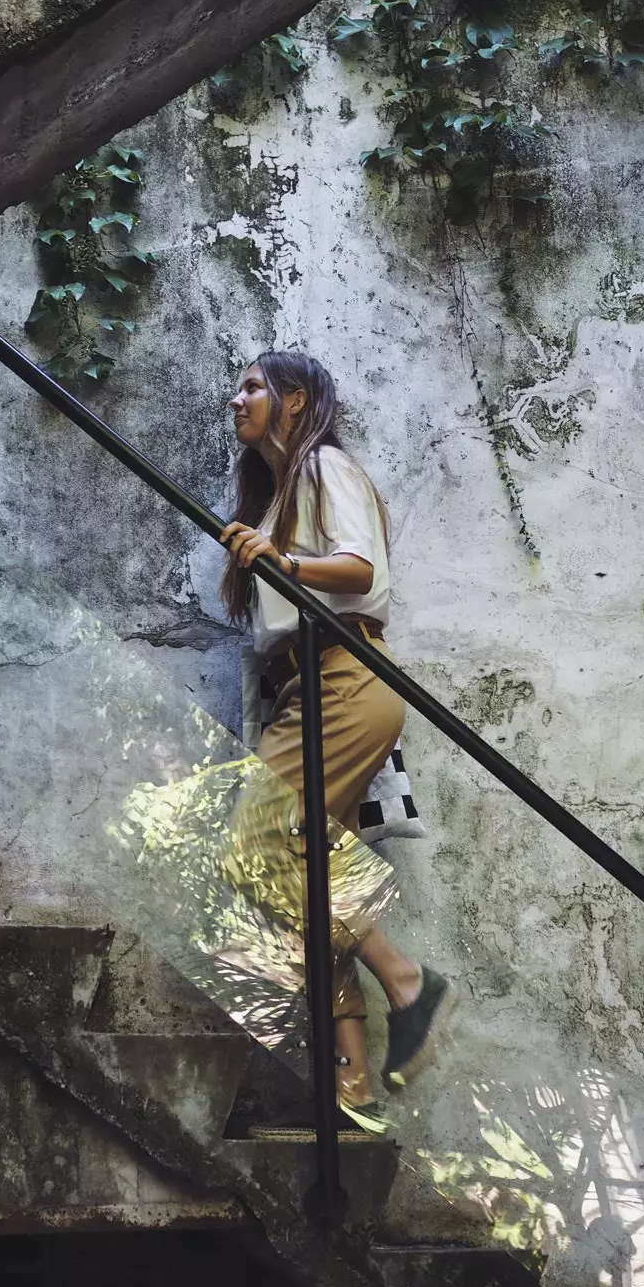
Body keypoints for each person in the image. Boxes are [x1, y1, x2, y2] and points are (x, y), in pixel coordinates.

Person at [220, 351, 457, 1133]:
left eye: (253, 386)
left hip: (345, 674)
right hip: (305, 689)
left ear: (294, 401)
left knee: (253, 842)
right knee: (312, 876)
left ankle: (405, 977)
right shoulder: (277, 499)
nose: (237, 397)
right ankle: (348, 1081)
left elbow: (358, 570)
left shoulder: (323, 466)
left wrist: (280, 559)